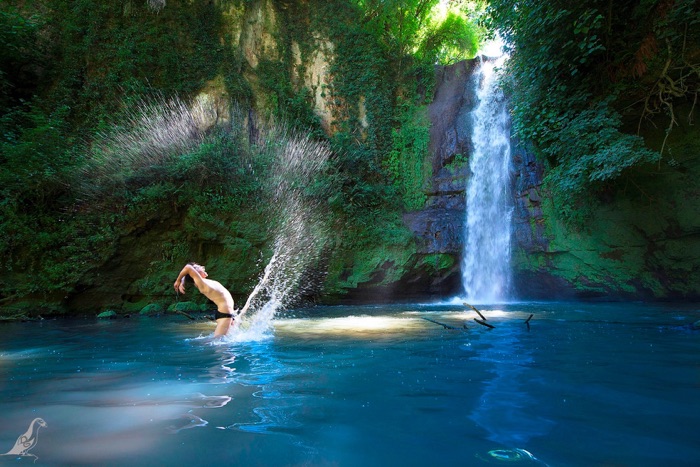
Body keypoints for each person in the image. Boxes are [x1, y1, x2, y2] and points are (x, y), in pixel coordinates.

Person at [174, 262, 238, 337]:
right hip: (225, 315)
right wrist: (178, 280)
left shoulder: (204, 282)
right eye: (199, 267)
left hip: (227, 314)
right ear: (195, 272)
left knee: (221, 341)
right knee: (219, 344)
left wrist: (182, 281)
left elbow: (188, 272)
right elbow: (188, 267)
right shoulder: (201, 283)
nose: (203, 267)